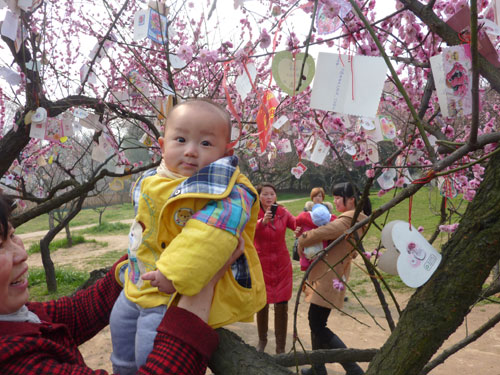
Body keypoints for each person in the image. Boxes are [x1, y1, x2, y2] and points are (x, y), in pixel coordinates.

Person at [0, 192, 243, 375]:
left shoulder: (14, 317)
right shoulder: (12, 360)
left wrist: (147, 253)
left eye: (11, 235)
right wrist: (199, 289)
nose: (21, 254)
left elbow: (75, 313)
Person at [110, 99, 266, 374]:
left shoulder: (229, 190)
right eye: (180, 139)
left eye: (206, 144)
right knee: (121, 337)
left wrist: (173, 274)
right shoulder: (153, 179)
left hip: (174, 294)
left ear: (225, 152)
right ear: (161, 145)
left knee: (151, 350)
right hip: (136, 284)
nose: (191, 151)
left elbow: (210, 233)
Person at [297, 182, 371, 375]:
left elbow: (324, 231)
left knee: (317, 324)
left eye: (339, 197)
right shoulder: (353, 219)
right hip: (330, 274)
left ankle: (352, 368)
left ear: (352, 200)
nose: (335, 201)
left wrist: (302, 240)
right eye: (335, 197)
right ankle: (318, 368)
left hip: (330, 276)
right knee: (317, 322)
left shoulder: (349, 219)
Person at [253, 182, 296, 354]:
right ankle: (262, 341)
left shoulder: (283, 212)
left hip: (281, 265)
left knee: (281, 305)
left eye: (272, 194)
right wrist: (261, 223)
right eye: (265, 194)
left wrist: (303, 227)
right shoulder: (253, 213)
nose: (269, 197)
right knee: (261, 304)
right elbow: (246, 231)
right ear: (259, 197)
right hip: (261, 264)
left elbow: (296, 223)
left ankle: (280, 348)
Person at [296, 199, 336, 271]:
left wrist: (298, 231)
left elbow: (297, 221)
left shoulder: (305, 216)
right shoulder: (329, 221)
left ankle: (305, 264)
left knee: (305, 255)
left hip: (307, 248)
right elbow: (336, 220)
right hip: (321, 250)